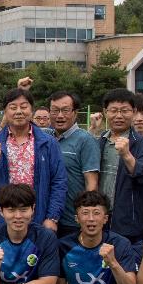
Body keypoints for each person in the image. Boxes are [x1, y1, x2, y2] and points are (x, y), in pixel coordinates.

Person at [0, 87, 67, 234]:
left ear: (31, 111)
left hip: (38, 218)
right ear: (5, 112)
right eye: (13, 107)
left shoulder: (48, 143)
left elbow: (59, 182)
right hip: (4, 220)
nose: (19, 111)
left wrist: (52, 217)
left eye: (24, 107)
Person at [96, 89, 143, 243]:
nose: (119, 116)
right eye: (114, 111)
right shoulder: (99, 141)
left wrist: (127, 155)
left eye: (125, 111)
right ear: (105, 112)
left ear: (134, 112)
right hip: (98, 218)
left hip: (127, 219)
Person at [47, 91, 100, 239]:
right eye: (55, 110)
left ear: (75, 113)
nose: (59, 116)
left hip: (72, 221)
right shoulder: (45, 138)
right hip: (48, 218)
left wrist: (85, 216)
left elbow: (92, 184)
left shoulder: (85, 140)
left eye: (65, 110)